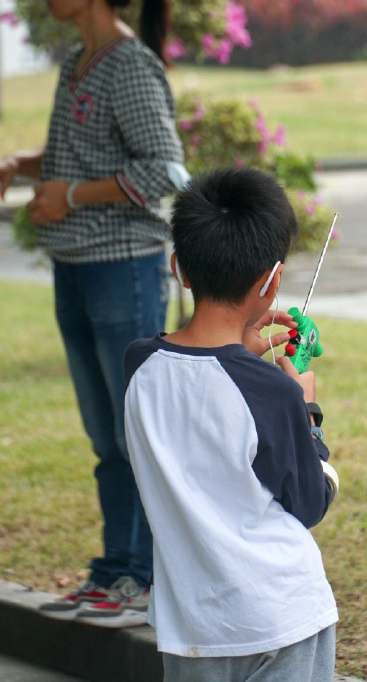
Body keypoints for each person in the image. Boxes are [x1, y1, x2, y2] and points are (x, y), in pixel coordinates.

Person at [0, 0, 189, 626]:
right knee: (106, 436)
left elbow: (167, 171)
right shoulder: (78, 61)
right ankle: (113, 573)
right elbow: (80, 151)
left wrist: (72, 195)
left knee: (134, 430)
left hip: (125, 271)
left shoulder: (129, 65)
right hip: (76, 271)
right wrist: (23, 167)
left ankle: (141, 579)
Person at [123, 167, 340, 681]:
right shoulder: (273, 392)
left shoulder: (138, 365)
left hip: (192, 629)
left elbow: (198, 390)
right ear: (273, 279)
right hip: (281, 618)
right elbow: (310, 503)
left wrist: (238, 351)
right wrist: (306, 411)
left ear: (180, 267)